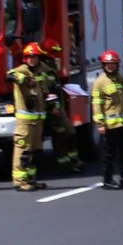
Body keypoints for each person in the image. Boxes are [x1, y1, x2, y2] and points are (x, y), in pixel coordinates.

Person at [91, 50, 123, 190]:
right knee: (109, 154)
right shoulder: (100, 82)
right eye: (107, 64)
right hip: (109, 126)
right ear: (103, 65)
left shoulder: (121, 78)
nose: (110, 66)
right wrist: (100, 124)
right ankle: (107, 180)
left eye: (113, 64)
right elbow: (96, 104)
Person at [6, 43, 48, 192]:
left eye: (34, 56)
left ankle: (31, 179)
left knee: (34, 152)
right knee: (23, 150)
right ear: (25, 58)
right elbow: (9, 75)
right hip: (26, 121)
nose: (32, 59)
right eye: (29, 57)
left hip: (38, 119)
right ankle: (20, 180)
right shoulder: (21, 70)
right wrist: (26, 80)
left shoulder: (40, 71)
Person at [37, 39, 83, 173]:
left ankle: (70, 162)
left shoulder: (50, 67)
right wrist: (53, 108)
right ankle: (66, 163)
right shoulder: (44, 69)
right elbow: (48, 92)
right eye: (54, 52)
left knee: (63, 135)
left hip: (57, 108)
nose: (56, 55)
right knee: (66, 133)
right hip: (53, 111)